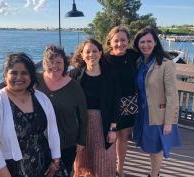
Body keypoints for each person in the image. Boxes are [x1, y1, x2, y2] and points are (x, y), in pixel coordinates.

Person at [0, 52, 61, 177]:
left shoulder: (41, 98)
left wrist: (56, 160)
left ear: (31, 76)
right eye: (14, 73)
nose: (19, 77)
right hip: (12, 170)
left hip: (45, 166)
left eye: (24, 73)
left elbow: (53, 130)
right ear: (5, 75)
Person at [132, 26, 181, 177]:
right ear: (137, 44)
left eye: (149, 41)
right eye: (142, 42)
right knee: (149, 146)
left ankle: (154, 175)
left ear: (155, 43)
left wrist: (169, 122)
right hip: (142, 112)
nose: (146, 45)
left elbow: (172, 95)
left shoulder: (166, 63)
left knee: (156, 148)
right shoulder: (139, 63)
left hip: (158, 114)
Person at [69, 38, 120, 177]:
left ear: (101, 52)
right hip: (82, 126)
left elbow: (117, 103)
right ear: (82, 55)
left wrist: (113, 129)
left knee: (103, 161)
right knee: (83, 162)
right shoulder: (75, 75)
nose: (91, 54)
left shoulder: (111, 75)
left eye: (95, 51)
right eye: (88, 52)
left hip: (104, 124)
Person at [36, 45, 88, 175]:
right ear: (44, 63)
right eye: (50, 62)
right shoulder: (35, 81)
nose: (54, 66)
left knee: (65, 173)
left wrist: (81, 141)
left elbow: (83, 115)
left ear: (65, 63)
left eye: (58, 62)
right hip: (40, 143)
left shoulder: (74, 86)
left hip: (66, 143)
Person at [104, 25, 139, 177]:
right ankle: (107, 167)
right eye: (116, 40)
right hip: (110, 103)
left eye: (123, 40)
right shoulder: (104, 59)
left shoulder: (132, 55)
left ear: (128, 41)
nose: (120, 44)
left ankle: (120, 169)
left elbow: (151, 56)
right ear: (110, 42)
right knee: (109, 137)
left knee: (123, 138)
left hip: (129, 102)